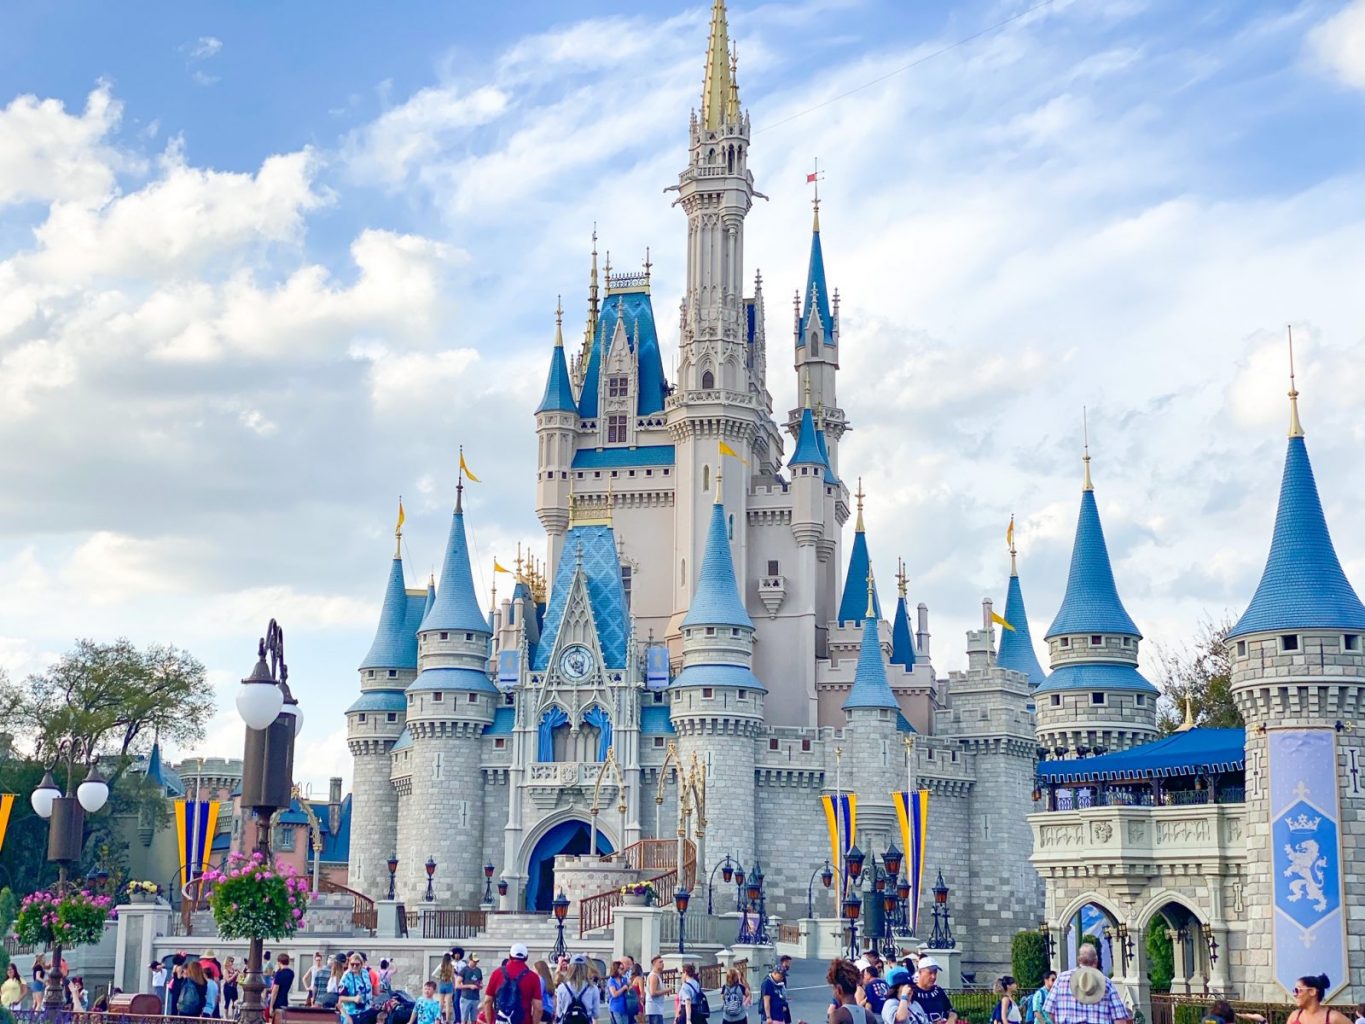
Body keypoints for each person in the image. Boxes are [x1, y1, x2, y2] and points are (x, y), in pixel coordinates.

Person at [1043, 946, 1129, 1024]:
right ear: (1096, 961)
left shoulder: (1061, 979)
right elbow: (1120, 1019)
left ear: (1079, 960)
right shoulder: (1106, 983)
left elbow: (1049, 1010)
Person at [483, 944, 544, 1024]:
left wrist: (490, 1022)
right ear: (526, 957)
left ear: (510, 956)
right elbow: (538, 1008)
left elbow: (487, 1001)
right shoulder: (533, 977)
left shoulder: (497, 973)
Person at [908, 958, 955, 1024]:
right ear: (920, 972)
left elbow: (950, 1010)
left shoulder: (938, 991)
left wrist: (951, 1019)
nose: (933, 977)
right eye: (930, 973)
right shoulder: (911, 993)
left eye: (935, 973)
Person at [556, 955, 600, 1024]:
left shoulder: (562, 987)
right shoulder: (593, 988)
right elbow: (596, 1014)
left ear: (570, 968)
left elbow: (559, 1013)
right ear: (586, 969)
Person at [339, 953, 375, 1024]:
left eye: (357, 964)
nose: (354, 966)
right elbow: (340, 998)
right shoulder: (346, 976)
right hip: (351, 1013)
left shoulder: (365, 973)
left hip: (366, 1011)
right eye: (352, 964)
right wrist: (354, 998)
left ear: (361, 964)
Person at [761, 959, 791, 1024]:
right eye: (780, 976)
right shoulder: (767, 983)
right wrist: (768, 1017)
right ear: (775, 973)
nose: (782, 978)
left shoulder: (778, 983)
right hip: (773, 1017)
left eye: (783, 976)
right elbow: (766, 1001)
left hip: (780, 1016)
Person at [271, 953, 296, 1023]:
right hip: (285, 1001)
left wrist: (270, 1006)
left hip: (277, 1003)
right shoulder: (291, 973)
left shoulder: (279, 974)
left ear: (279, 962)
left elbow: (275, 991)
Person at [645, 958, 669, 1024]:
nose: (662, 964)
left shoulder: (657, 975)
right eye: (660, 962)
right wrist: (666, 990)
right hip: (653, 1009)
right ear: (654, 964)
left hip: (657, 1009)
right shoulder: (653, 976)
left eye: (662, 962)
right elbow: (653, 993)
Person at [462, 956, 485, 1024]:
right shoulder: (464, 970)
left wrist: (480, 985)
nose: (475, 963)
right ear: (470, 960)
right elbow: (457, 985)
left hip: (476, 998)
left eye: (476, 961)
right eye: (474, 961)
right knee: (464, 1020)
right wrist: (469, 986)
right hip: (466, 997)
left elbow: (480, 982)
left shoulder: (478, 970)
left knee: (474, 1020)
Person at [438, 953, 459, 1022]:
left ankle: (438, 1018)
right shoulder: (452, 966)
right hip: (449, 984)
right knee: (448, 1004)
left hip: (442, 983)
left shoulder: (441, 966)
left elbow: (434, 974)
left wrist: (439, 978)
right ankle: (447, 1020)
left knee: (441, 1004)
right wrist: (454, 985)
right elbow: (453, 977)